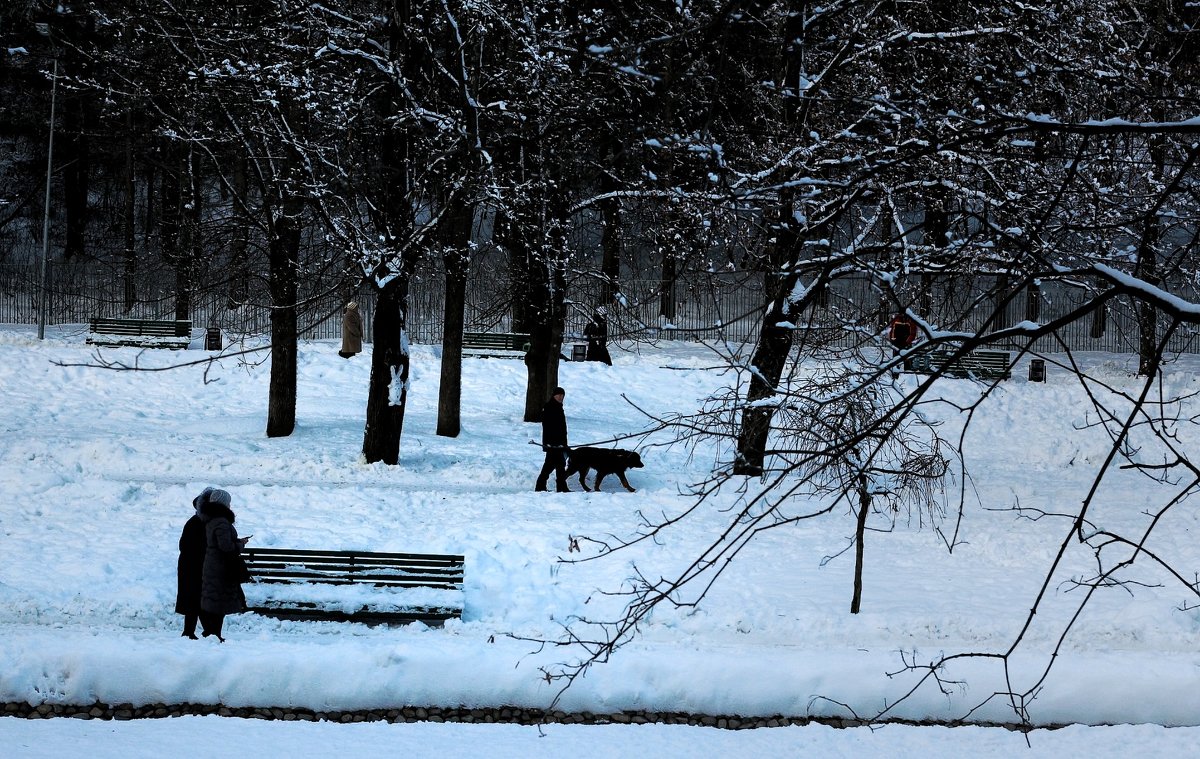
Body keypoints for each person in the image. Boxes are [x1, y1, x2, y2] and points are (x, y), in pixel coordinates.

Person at [198, 489, 249, 642]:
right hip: (220, 568)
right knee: (218, 603)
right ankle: (213, 635)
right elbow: (225, 547)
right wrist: (240, 545)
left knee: (213, 602)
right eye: (228, 502)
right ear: (223, 503)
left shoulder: (210, 519)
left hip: (213, 566)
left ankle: (212, 634)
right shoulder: (221, 521)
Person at [175, 487, 213, 639]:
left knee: (195, 601)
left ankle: (193, 632)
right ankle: (202, 632)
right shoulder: (199, 523)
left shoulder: (196, 521)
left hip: (191, 567)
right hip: (194, 567)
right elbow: (191, 547)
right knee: (197, 600)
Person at [535, 387, 571, 493]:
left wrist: (563, 443)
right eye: (559, 395)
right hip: (553, 444)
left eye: (562, 395)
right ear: (554, 396)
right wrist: (550, 443)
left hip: (558, 443)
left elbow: (561, 428)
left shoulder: (558, 407)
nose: (561, 397)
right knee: (554, 465)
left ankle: (545, 486)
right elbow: (548, 427)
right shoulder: (549, 407)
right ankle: (559, 487)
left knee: (555, 465)